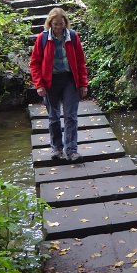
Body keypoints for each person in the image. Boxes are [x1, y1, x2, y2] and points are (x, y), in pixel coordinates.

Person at [29, 8, 89, 161]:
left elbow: (81, 62)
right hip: (50, 82)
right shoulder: (42, 39)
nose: (58, 27)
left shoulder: (73, 37)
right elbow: (34, 63)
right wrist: (39, 85)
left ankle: (71, 151)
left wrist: (83, 84)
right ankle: (57, 149)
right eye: (55, 24)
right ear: (50, 23)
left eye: (61, 24)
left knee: (71, 116)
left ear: (65, 23)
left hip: (70, 80)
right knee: (54, 117)